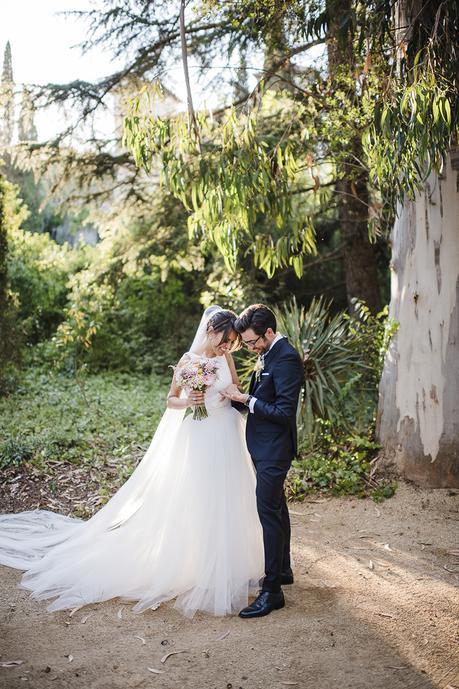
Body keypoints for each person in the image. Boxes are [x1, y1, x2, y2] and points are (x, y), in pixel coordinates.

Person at [0, 307, 264, 618]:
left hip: (227, 433)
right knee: (201, 499)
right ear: (211, 330)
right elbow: (170, 400)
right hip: (201, 436)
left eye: (233, 342)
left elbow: (236, 388)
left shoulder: (226, 358)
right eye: (226, 340)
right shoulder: (188, 361)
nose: (228, 346)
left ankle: (232, 564)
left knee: (231, 497)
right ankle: (200, 567)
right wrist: (190, 401)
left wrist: (232, 394)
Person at [221, 304, 304, 619]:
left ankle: (272, 592)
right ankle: (283, 570)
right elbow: (260, 400)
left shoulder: (286, 359)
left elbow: (284, 413)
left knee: (267, 512)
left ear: (269, 332)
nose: (251, 347)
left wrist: (247, 399)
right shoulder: (267, 354)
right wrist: (235, 401)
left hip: (275, 450)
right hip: (262, 446)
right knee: (277, 507)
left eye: (254, 342)